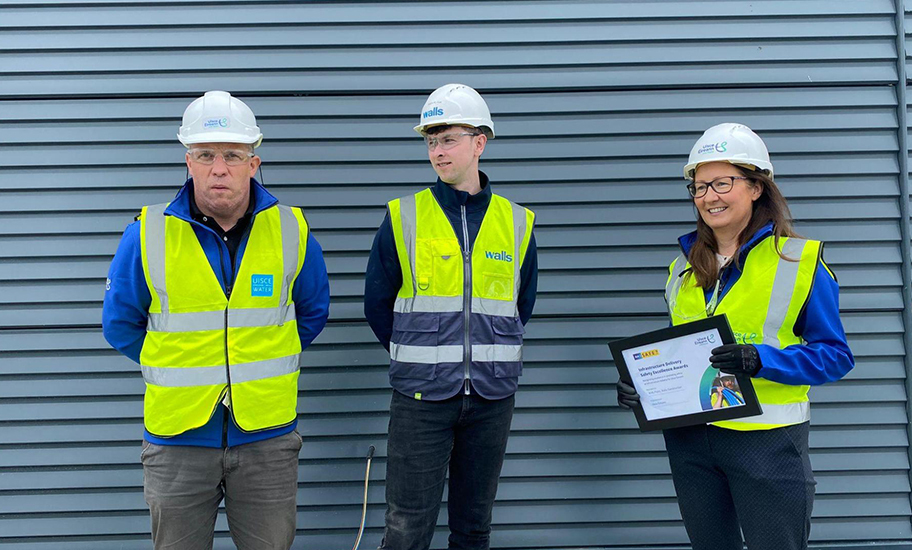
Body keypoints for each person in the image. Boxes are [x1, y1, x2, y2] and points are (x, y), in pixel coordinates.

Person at [102, 90, 330, 550]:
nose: (219, 168)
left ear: (254, 161)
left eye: (232, 154)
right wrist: (179, 363)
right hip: (177, 442)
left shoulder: (292, 229)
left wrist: (254, 359)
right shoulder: (146, 234)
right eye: (205, 155)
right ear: (189, 162)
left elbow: (311, 315)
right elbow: (120, 324)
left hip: (266, 439)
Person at [616, 123, 854, 550]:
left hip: (767, 442)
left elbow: (835, 356)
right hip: (692, 443)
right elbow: (681, 355)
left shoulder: (799, 261)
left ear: (757, 187)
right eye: (700, 186)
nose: (709, 197)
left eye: (722, 183)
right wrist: (644, 388)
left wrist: (762, 359)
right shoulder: (681, 269)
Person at [364, 83, 538, 550]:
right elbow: (377, 305)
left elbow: (522, 305)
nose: (437, 151)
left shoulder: (517, 222)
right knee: (405, 526)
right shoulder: (404, 216)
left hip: (492, 396)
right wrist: (424, 356)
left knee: (474, 527)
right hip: (420, 399)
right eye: (431, 140)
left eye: (448, 139)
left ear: (479, 142)